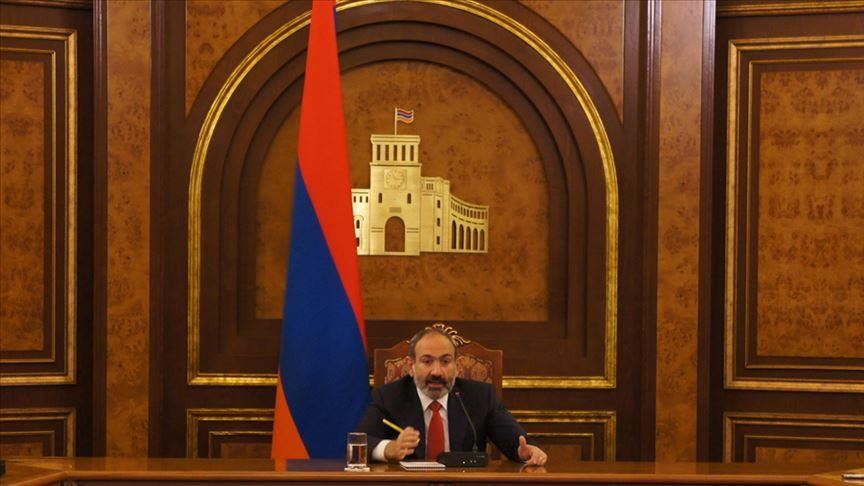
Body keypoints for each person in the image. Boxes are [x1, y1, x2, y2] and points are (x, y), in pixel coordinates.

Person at [356, 326, 548, 465]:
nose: (437, 371)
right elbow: (360, 442)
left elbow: (516, 442)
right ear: (410, 366)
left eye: (445, 361)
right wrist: (389, 448)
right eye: (427, 361)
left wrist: (526, 452)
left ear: (457, 365)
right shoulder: (388, 396)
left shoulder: (480, 396)